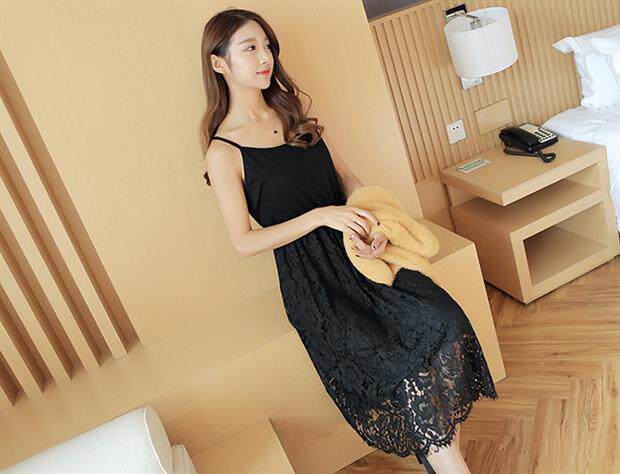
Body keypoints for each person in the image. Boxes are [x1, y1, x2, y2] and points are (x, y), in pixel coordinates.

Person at [199, 8, 498, 474]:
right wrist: (320, 216)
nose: (265, 57)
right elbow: (243, 241)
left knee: (446, 322)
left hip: (361, 257)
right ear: (219, 63)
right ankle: (447, 462)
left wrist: (372, 229)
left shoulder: (291, 113)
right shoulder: (224, 152)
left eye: (267, 46)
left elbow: (349, 180)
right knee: (405, 373)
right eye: (250, 48)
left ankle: (443, 460)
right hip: (316, 284)